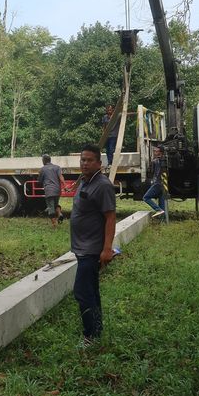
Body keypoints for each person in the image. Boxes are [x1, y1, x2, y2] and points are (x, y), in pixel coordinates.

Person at [70, 144, 116, 347]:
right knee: (91, 290)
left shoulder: (102, 185)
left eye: (89, 160)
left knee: (82, 291)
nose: (85, 163)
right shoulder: (85, 180)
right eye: (83, 160)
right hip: (82, 247)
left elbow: (110, 217)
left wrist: (107, 249)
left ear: (99, 163)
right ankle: (97, 330)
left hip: (92, 249)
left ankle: (91, 336)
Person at [38, 154, 65, 227]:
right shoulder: (57, 167)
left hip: (49, 190)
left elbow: (39, 180)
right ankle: (59, 214)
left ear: (44, 161)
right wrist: (65, 185)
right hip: (57, 190)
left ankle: (54, 225)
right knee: (56, 204)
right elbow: (61, 176)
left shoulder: (42, 169)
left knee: (51, 207)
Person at [142, 146, 166, 219]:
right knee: (162, 202)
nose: (155, 152)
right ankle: (163, 220)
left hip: (157, 183)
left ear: (160, 152)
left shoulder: (157, 161)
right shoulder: (165, 160)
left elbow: (153, 172)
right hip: (163, 184)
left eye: (156, 151)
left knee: (146, 197)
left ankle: (158, 210)